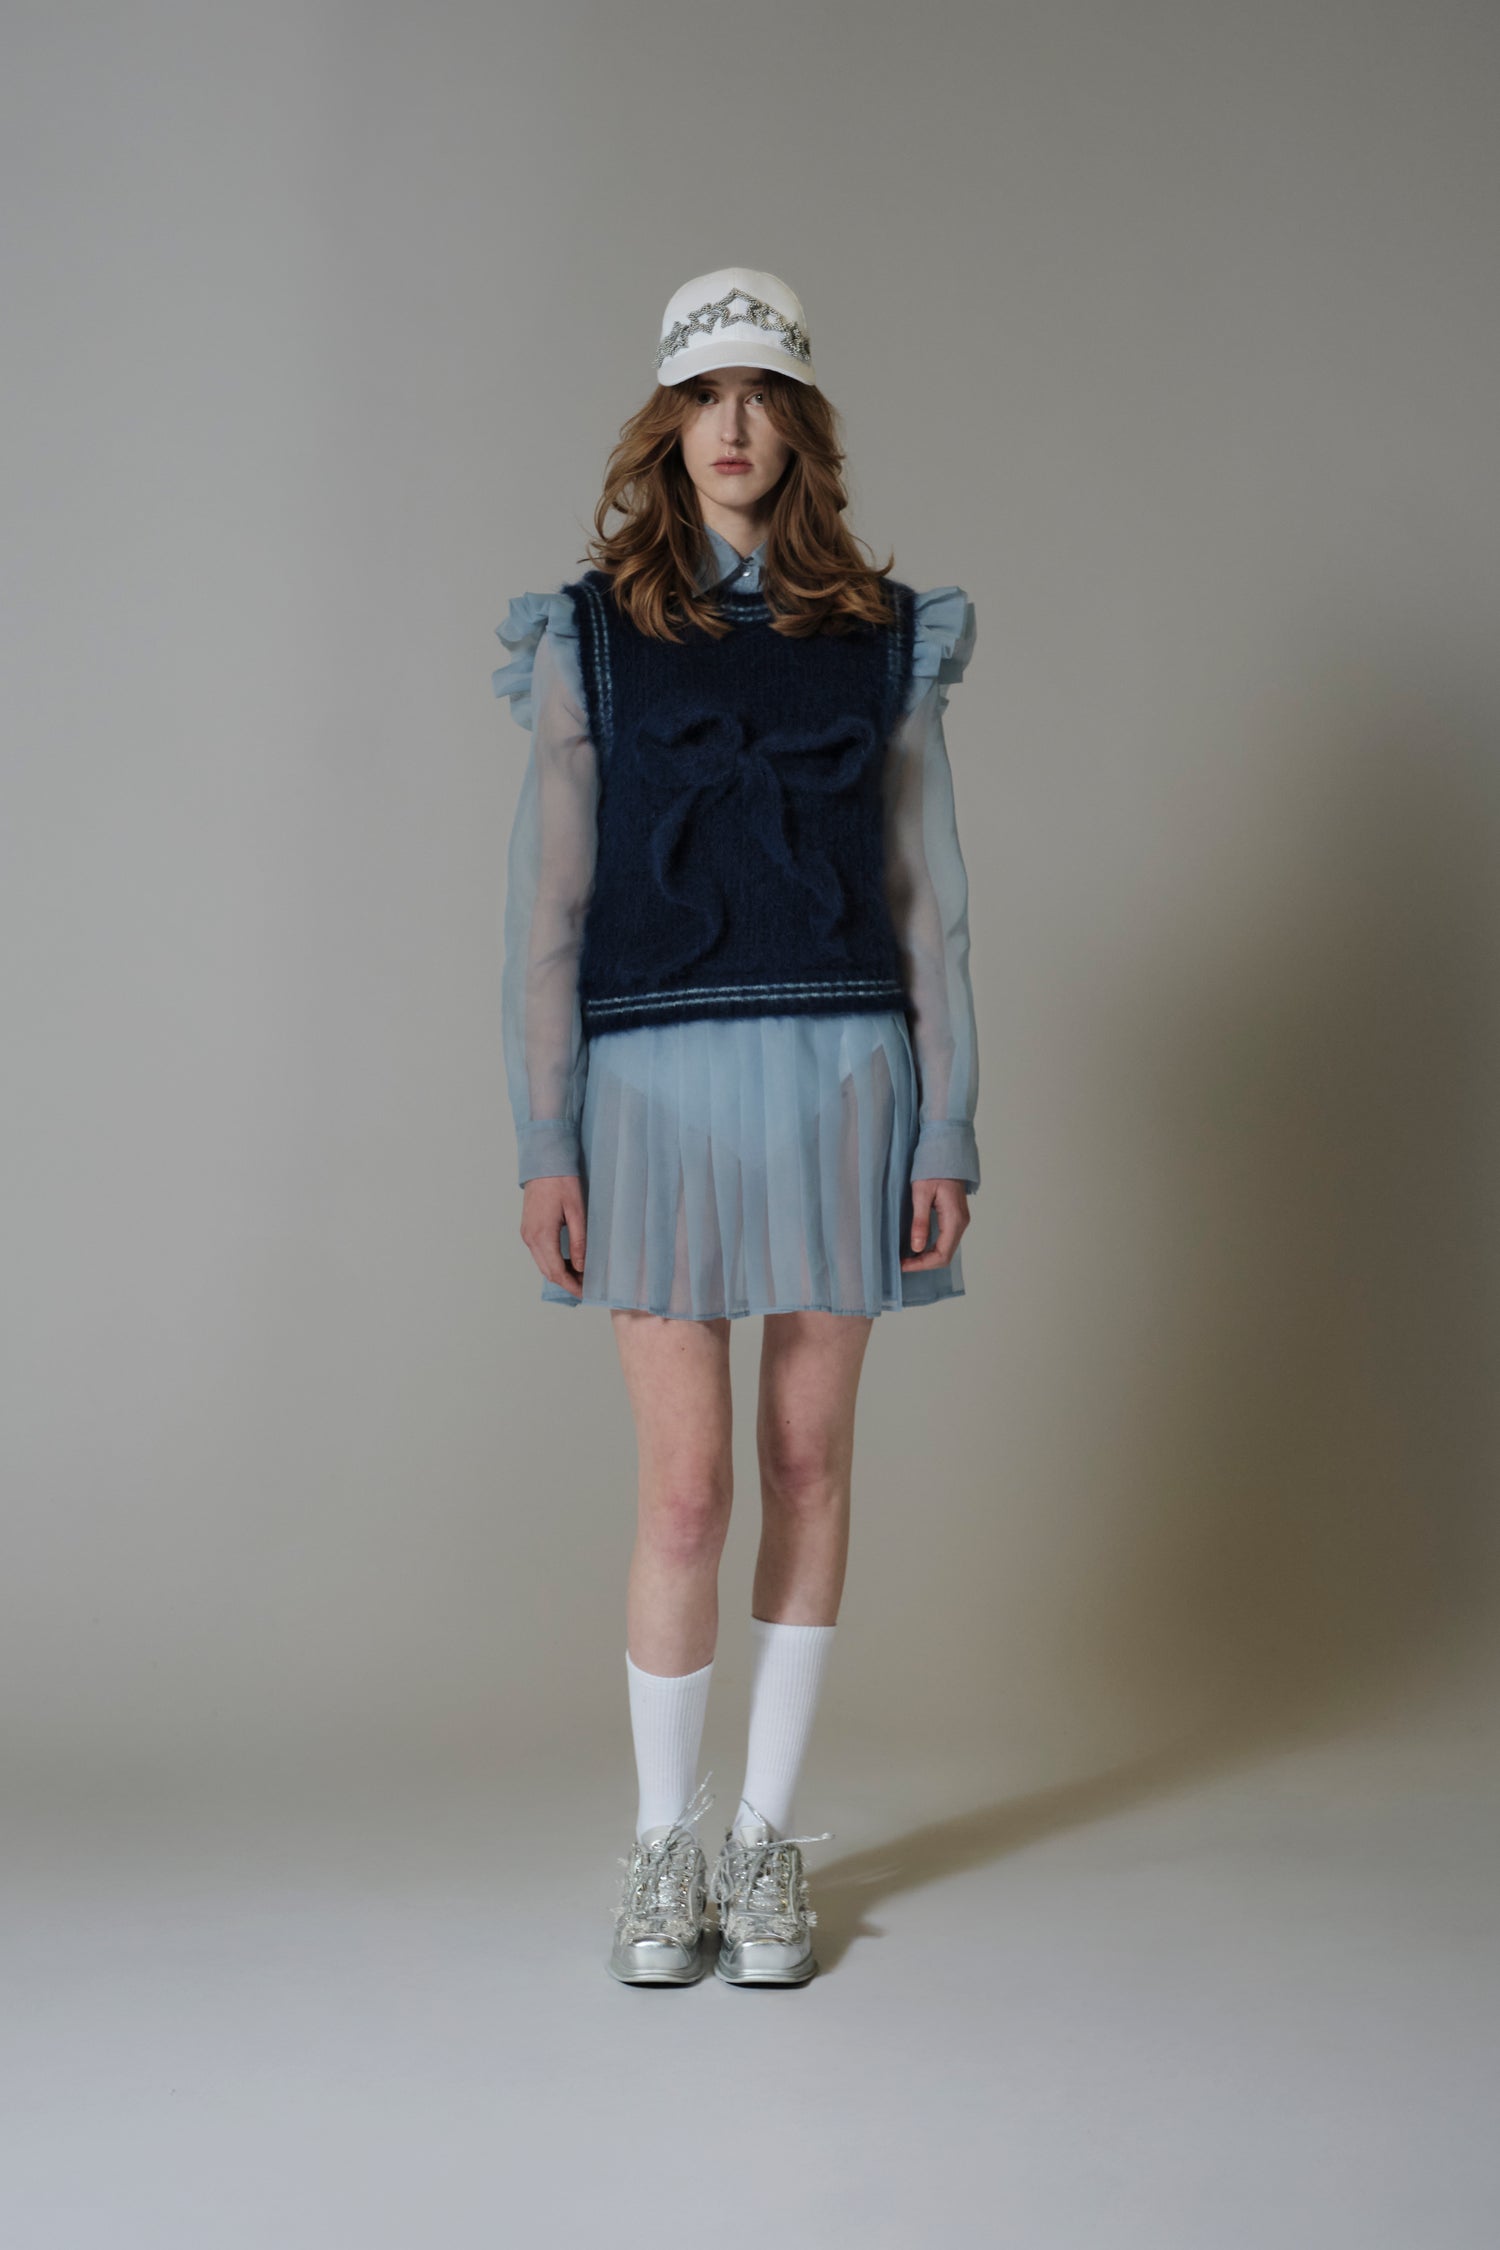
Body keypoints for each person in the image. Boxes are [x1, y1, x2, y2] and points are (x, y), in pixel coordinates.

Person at [492, 268, 980, 1986]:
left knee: (807, 1465)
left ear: (802, 425)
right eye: (707, 394)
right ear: (666, 423)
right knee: (688, 1489)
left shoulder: (884, 634)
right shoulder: (591, 640)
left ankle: (766, 1843)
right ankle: (663, 1846)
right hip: (650, 1094)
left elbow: (926, 901)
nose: (737, 424)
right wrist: (545, 1136)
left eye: (766, 392)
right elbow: (549, 912)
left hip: (845, 1081)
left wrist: (948, 1125)